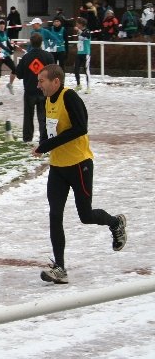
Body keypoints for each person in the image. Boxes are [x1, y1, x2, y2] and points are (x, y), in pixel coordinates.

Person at [33, 64, 127, 284]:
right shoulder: (47, 100)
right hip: (57, 167)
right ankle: (60, 268)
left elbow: (80, 128)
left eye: (42, 81)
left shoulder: (70, 97)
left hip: (79, 165)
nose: (38, 85)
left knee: (85, 216)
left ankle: (115, 223)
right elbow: (49, 131)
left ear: (55, 81)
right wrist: (42, 144)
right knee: (55, 214)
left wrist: (47, 145)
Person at [15, 33, 54, 143]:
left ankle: (27, 138)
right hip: (44, 91)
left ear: (31, 43)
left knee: (28, 116)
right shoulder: (48, 56)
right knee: (44, 116)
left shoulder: (26, 57)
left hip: (29, 90)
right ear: (41, 42)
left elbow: (19, 74)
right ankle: (44, 138)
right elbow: (54, 73)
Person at [0, 19, 16, 98]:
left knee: (15, 69)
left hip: (5, 56)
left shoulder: (5, 33)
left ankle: (10, 84)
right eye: (1, 25)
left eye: (3, 25)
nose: (2, 26)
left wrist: (12, 49)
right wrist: (7, 49)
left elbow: (8, 43)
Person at [72, 17, 92, 93]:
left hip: (86, 53)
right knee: (75, 69)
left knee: (86, 70)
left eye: (77, 23)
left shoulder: (87, 31)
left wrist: (79, 31)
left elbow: (86, 35)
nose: (76, 25)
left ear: (81, 24)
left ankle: (88, 87)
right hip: (79, 53)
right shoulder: (79, 31)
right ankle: (78, 84)